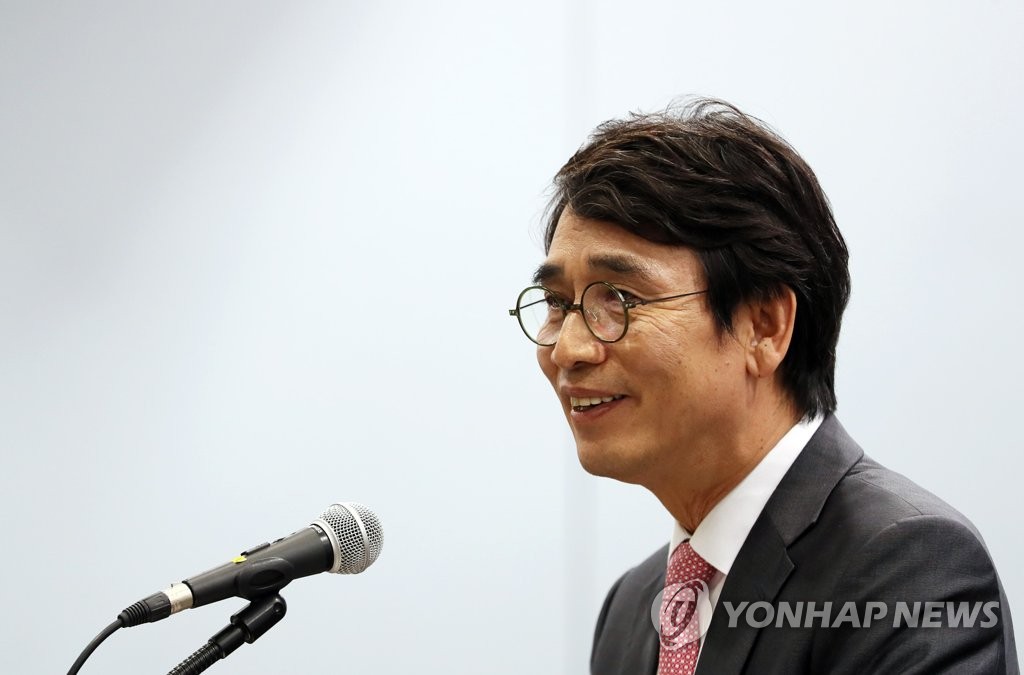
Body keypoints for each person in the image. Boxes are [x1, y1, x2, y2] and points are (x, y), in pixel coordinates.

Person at [509, 99, 1018, 674]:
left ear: (765, 327)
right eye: (558, 303)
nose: (569, 349)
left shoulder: (908, 568)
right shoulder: (632, 609)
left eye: (621, 299)